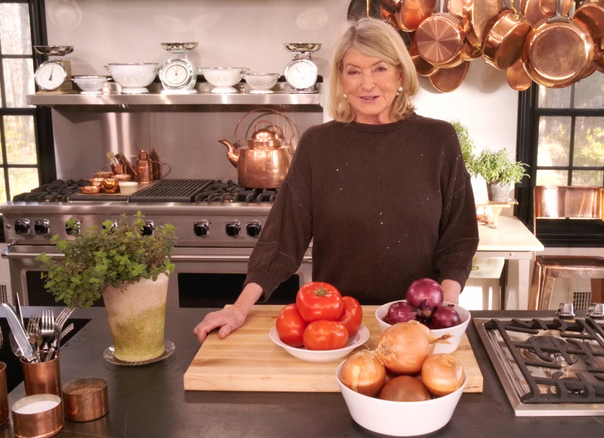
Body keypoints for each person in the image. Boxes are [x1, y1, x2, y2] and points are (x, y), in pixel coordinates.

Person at [194, 17, 479, 342]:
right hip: (337, 328)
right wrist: (239, 306)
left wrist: (445, 311)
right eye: (353, 71)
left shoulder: (438, 139)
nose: (366, 83)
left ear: (401, 73)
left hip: (416, 328)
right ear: (341, 79)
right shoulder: (319, 144)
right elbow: (284, 238)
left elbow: (459, 238)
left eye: (379, 68)